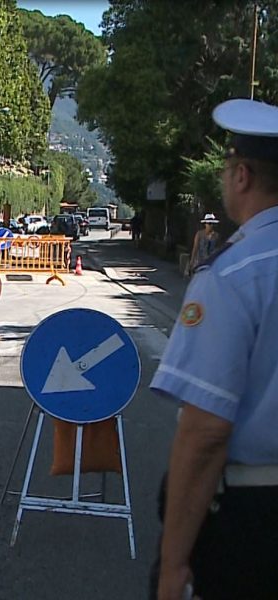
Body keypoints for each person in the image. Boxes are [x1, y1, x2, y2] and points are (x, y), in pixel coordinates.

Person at [149, 98, 278, 600]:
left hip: (254, 522)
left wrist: (173, 564)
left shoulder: (234, 275)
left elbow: (204, 432)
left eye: (227, 169)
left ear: (242, 176)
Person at [184, 213, 221, 277]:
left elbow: (218, 248)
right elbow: (195, 248)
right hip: (200, 260)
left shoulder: (216, 236)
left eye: (212, 224)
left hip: (210, 261)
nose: (211, 225)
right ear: (205, 224)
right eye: (209, 223)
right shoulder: (199, 234)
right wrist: (192, 261)